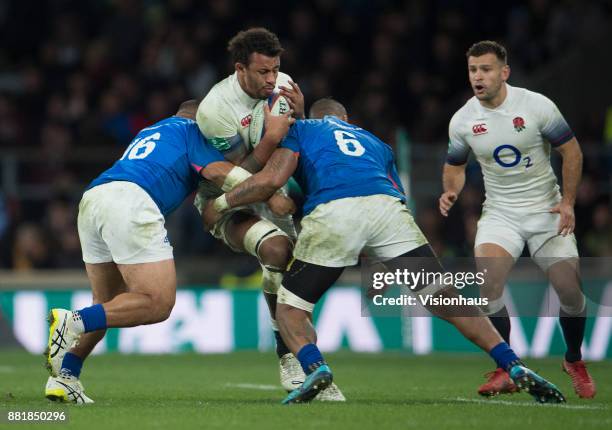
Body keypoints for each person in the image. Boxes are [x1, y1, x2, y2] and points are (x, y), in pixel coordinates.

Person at [206, 97, 566, 405]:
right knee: (447, 299)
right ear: (345, 119)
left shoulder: (303, 130)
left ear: (314, 116)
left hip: (335, 208)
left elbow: (272, 180)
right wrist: (387, 268)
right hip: (388, 209)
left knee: (289, 308)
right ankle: (513, 362)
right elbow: (390, 203)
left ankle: (316, 368)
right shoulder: (377, 143)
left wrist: (222, 204)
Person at [44, 100, 294, 403]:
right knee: (157, 303)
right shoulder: (192, 132)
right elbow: (220, 173)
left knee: (107, 305)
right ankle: (72, 321)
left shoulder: (153, 131)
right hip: (132, 202)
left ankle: (65, 376)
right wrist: (268, 190)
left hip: (95, 198)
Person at [193, 27, 344, 400]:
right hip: (224, 202)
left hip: (274, 187)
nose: (272, 80)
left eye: (275, 69)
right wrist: (271, 142)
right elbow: (235, 173)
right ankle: (288, 355)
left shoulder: (283, 86)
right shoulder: (215, 111)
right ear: (239, 68)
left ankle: (301, 355)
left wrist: (302, 113)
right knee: (277, 251)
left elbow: (296, 140)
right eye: (263, 72)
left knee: (292, 267)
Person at [439, 41, 595, 399]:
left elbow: (571, 152)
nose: (478, 77)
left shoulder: (536, 106)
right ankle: (506, 368)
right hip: (501, 214)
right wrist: (452, 190)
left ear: (504, 72)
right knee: (488, 282)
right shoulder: (463, 120)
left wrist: (568, 202)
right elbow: (456, 164)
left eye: (486, 69)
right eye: (473, 70)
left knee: (570, 291)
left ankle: (573, 359)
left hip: (546, 210)